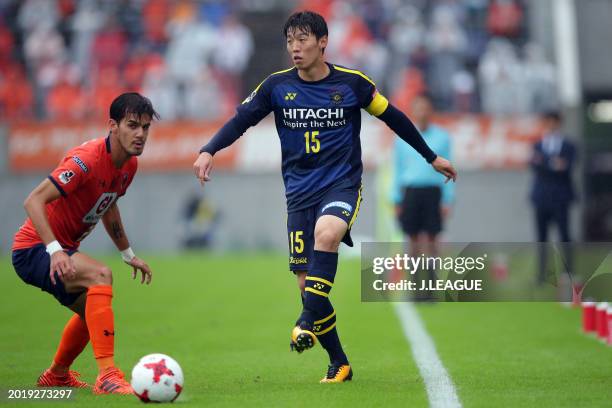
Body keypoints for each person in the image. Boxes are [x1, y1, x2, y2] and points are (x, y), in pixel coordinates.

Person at [193, 11, 457, 383]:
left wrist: (431, 157)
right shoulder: (275, 86)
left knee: (328, 234)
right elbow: (241, 121)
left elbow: (394, 117)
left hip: (342, 184)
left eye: (302, 40)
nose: (295, 48)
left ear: (322, 42)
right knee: (306, 285)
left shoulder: (353, 84)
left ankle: (304, 322)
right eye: (290, 41)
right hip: (298, 193)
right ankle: (339, 362)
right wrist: (209, 150)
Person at [11, 93, 158, 395]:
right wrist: (55, 251)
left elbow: (108, 204)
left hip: (60, 249)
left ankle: (57, 375)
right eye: (132, 125)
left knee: (92, 312)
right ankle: (107, 377)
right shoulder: (86, 160)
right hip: (34, 249)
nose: (140, 134)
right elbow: (34, 201)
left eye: (145, 127)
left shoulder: (128, 166)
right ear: (112, 126)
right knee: (101, 276)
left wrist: (128, 254)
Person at [391, 93, 454, 288]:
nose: (422, 112)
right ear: (413, 111)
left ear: (431, 110)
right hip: (411, 192)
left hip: (433, 192)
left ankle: (432, 283)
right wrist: (396, 199)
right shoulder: (402, 139)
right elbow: (398, 169)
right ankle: (416, 284)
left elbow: (450, 168)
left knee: (433, 239)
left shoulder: (443, 137)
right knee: (413, 240)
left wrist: (448, 199)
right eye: (418, 108)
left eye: (425, 108)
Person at [529, 111, 576, 284]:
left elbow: (567, 167)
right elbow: (534, 165)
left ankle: (568, 273)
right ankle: (542, 275)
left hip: (561, 197)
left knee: (564, 236)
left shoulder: (569, 145)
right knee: (542, 238)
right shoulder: (537, 145)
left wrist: (545, 162)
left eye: (553, 122)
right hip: (541, 197)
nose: (550, 125)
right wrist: (553, 164)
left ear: (558, 123)